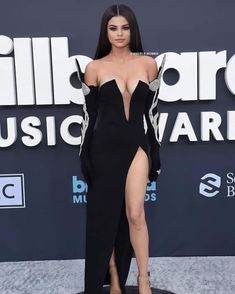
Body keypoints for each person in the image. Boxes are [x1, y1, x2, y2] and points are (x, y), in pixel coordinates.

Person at [76, 4, 166, 294]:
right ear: (105, 31)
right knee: (106, 218)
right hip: (103, 147)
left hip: (136, 144)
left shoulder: (148, 65)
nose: (119, 33)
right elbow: (88, 119)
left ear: (132, 29)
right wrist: (84, 154)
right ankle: (114, 280)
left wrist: (156, 152)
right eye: (113, 28)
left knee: (136, 213)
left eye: (125, 27)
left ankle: (143, 279)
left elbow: (152, 116)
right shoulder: (94, 68)